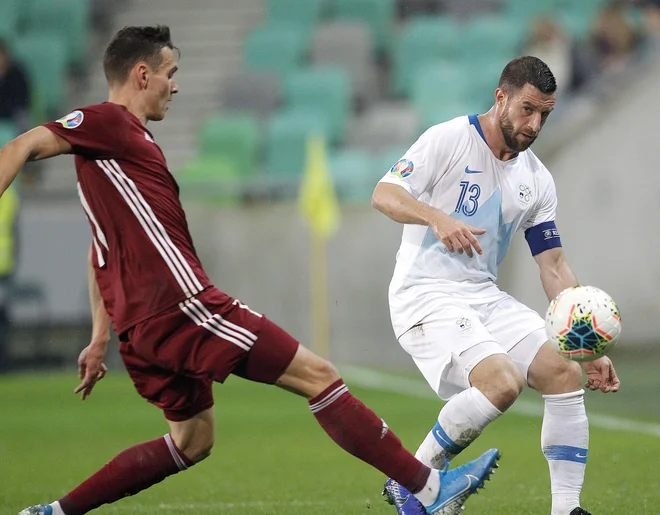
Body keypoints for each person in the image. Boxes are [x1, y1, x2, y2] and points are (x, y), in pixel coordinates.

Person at [0, 25, 501, 515]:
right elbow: (21, 146)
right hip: (180, 306)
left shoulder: (119, 156)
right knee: (320, 376)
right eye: (170, 73)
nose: (176, 85)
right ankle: (428, 490)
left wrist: (97, 335)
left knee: (192, 440)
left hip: (140, 326)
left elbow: (101, 248)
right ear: (141, 74)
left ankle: (53, 513)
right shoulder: (108, 122)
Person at [372, 56, 620, 515]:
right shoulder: (447, 140)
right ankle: (412, 478)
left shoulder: (537, 179)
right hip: (424, 294)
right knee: (503, 381)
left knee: (564, 372)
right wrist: (435, 217)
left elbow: (554, 265)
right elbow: (384, 194)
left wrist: (587, 343)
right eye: (527, 109)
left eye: (544, 113)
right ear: (501, 97)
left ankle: (567, 510)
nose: (535, 123)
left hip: (483, 297)